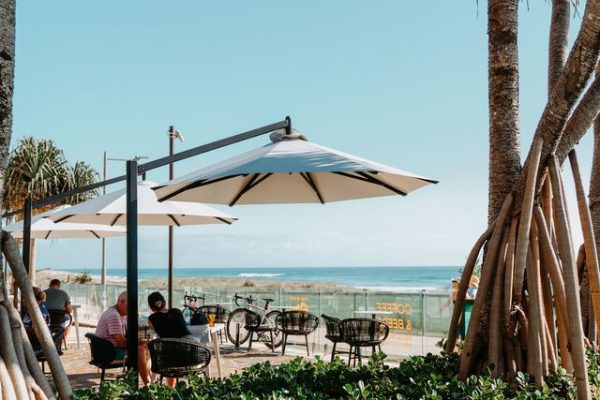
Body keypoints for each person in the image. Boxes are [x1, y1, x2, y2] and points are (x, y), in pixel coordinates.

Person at [95, 291, 151, 384]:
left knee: (144, 347)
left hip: (106, 350)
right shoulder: (114, 316)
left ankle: (146, 378)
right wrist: (139, 342)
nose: (131, 309)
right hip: (108, 353)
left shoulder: (120, 314)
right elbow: (122, 343)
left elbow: (128, 334)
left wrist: (139, 341)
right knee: (140, 349)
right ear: (121, 302)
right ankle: (147, 383)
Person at [147, 291, 197, 387]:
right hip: (193, 357)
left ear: (151, 307)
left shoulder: (151, 318)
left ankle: (170, 392)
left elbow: (153, 331)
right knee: (173, 352)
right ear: (164, 302)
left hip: (171, 360)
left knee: (169, 354)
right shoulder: (177, 311)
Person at [24, 287, 65, 354]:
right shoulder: (33, 309)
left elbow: (37, 331)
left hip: (35, 344)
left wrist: (24, 329)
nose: (23, 300)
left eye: (24, 298)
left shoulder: (39, 312)